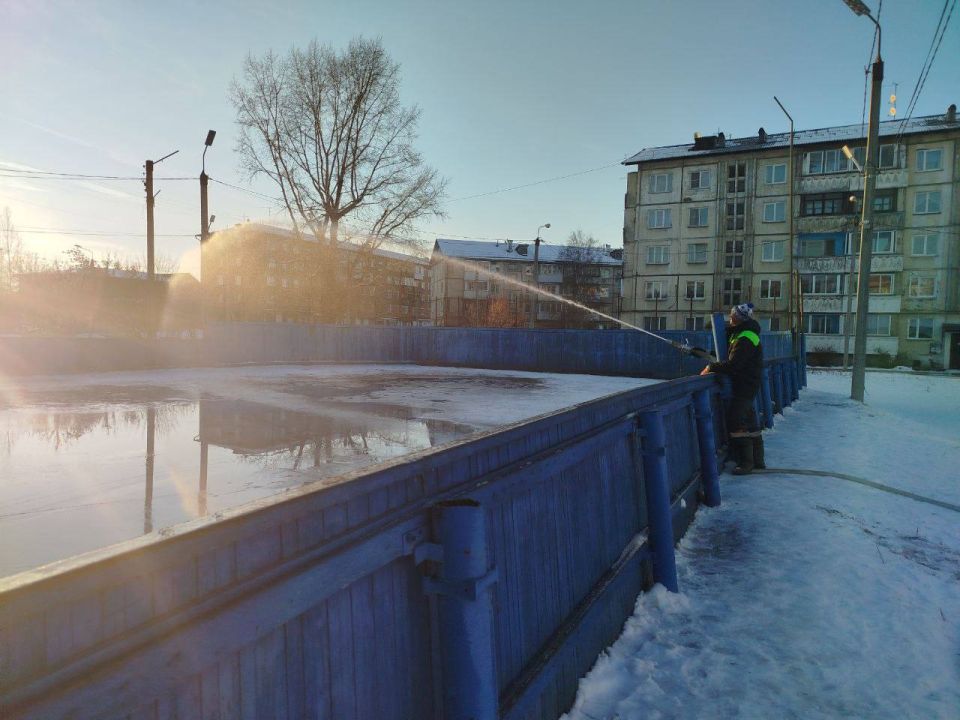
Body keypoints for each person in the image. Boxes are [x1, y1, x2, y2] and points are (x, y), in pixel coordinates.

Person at [700, 303, 765, 474]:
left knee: (735, 420)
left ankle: (746, 463)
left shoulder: (745, 337)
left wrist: (711, 368)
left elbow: (734, 364)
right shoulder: (742, 332)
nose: (730, 317)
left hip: (745, 384)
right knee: (749, 421)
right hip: (747, 383)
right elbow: (729, 347)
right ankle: (758, 460)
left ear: (739, 317)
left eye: (732, 315)